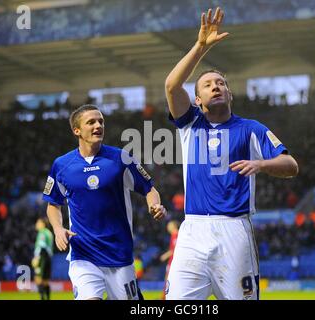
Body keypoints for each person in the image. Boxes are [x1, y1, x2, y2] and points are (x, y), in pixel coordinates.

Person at [164, 7, 299, 300]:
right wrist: (200, 46)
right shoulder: (189, 124)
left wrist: (261, 163)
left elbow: (291, 165)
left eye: (221, 83)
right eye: (208, 85)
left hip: (234, 230)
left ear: (230, 94)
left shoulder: (252, 128)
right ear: (197, 100)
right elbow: (172, 85)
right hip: (193, 231)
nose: (216, 86)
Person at [42, 104, 167, 300]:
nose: (98, 125)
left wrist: (155, 205)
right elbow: (53, 204)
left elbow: (149, 189)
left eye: (100, 121)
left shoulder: (121, 158)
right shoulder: (61, 165)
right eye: (90, 122)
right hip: (84, 254)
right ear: (77, 130)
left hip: (120, 254)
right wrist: (58, 228)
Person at [31, 217, 54, 300]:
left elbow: (42, 246)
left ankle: (42, 297)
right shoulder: (49, 233)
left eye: (38, 222)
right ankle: (47, 298)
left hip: (42, 257)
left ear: (43, 224)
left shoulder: (42, 233)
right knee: (46, 280)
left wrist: (36, 258)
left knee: (38, 278)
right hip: (49, 257)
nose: (36, 224)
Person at [160, 220, 179, 299]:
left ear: (173, 226)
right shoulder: (173, 236)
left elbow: (174, 250)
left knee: (168, 280)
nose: (168, 227)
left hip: (173, 262)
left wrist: (165, 255)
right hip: (173, 262)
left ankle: (164, 297)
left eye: (169, 225)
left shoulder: (176, 235)